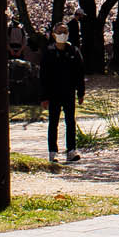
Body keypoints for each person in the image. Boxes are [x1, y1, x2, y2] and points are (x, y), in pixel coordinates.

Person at [40, 21, 86, 163]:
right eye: (59, 32)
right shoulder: (49, 53)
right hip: (53, 93)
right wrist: (44, 97)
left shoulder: (74, 51)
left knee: (70, 121)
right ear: (54, 35)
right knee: (53, 122)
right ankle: (52, 151)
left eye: (65, 32)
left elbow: (79, 73)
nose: (62, 35)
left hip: (69, 92)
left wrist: (81, 92)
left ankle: (71, 150)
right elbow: (43, 76)